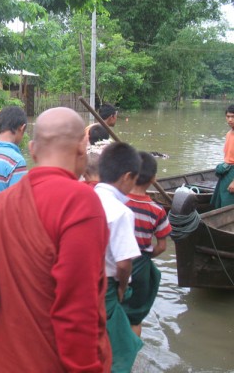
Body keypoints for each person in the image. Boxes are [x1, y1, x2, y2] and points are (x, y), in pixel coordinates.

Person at [0, 107, 111, 372]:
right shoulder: (80, 202)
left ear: (33, 149)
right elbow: (77, 312)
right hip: (49, 362)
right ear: (83, 149)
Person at [95, 142, 143, 373]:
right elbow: (124, 263)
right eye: (135, 180)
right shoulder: (121, 211)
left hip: (83, 282)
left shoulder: (87, 197)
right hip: (108, 287)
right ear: (127, 177)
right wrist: (123, 287)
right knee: (119, 349)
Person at [123, 152, 171, 337]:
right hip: (141, 265)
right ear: (153, 179)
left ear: (127, 174)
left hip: (116, 263)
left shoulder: (118, 202)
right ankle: (132, 359)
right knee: (135, 318)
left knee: (112, 311)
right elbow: (162, 246)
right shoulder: (157, 210)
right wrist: (146, 256)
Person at [211, 104, 234, 208]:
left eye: (233, 117)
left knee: (228, 204)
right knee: (220, 202)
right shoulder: (229, 134)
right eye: (228, 116)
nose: (230, 119)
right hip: (227, 172)